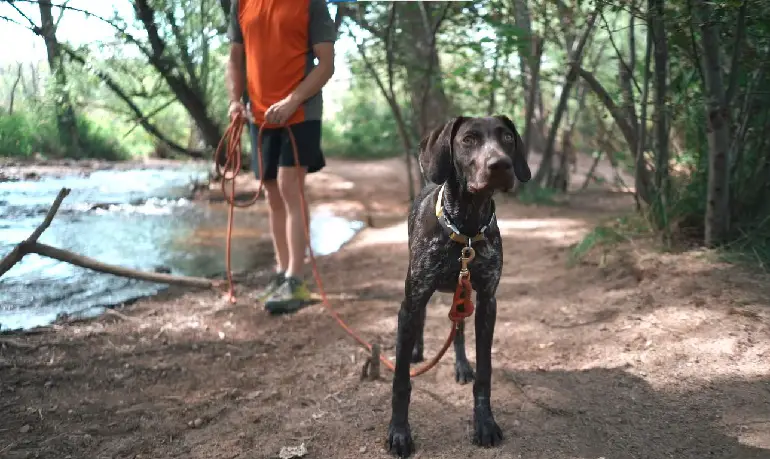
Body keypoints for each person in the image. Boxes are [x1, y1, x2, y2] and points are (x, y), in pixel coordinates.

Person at [226, 0, 336, 314]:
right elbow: (235, 57)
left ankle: (296, 279)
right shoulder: (242, 3)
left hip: (300, 112)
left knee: (290, 187)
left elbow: (326, 64)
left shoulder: (311, 4)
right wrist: (235, 100)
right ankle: (282, 271)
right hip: (258, 116)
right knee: (272, 192)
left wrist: (293, 99)